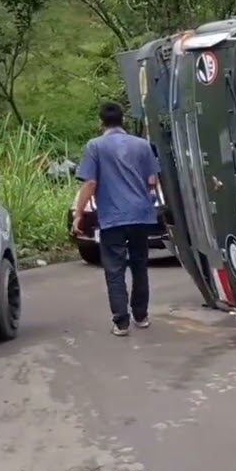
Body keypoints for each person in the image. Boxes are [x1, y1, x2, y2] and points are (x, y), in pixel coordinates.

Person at [73, 103, 161, 336]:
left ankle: (121, 322)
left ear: (101, 122)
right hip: (141, 215)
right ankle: (141, 316)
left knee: (115, 269)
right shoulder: (142, 145)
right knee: (140, 265)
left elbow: (90, 183)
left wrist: (79, 213)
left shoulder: (95, 146)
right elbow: (152, 180)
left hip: (112, 217)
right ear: (123, 120)